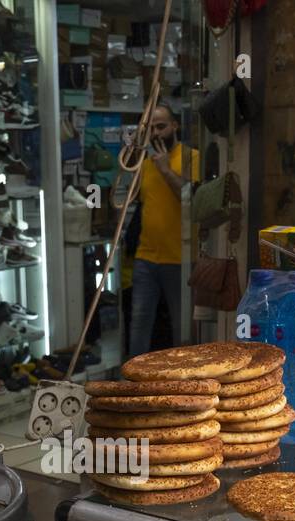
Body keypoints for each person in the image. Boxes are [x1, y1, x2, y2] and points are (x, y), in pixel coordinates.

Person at [127, 103, 199, 359]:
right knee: (138, 324)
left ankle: (184, 387)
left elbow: (192, 198)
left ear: (175, 126)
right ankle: (132, 387)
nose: (156, 133)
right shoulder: (145, 164)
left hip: (179, 259)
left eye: (161, 126)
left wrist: (166, 170)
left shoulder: (191, 158)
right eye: (151, 128)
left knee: (182, 329)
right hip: (146, 257)